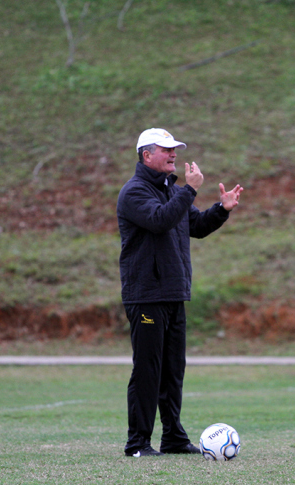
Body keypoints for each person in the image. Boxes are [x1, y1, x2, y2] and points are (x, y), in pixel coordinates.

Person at [117, 128, 243, 457]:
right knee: (148, 369)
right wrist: (189, 191)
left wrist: (222, 209)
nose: (174, 154)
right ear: (147, 155)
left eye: (175, 149)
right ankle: (137, 443)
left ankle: (172, 437)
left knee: (173, 369)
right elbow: (159, 221)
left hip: (173, 293)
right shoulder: (134, 193)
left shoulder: (172, 192)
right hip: (146, 296)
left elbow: (196, 227)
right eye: (166, 149)